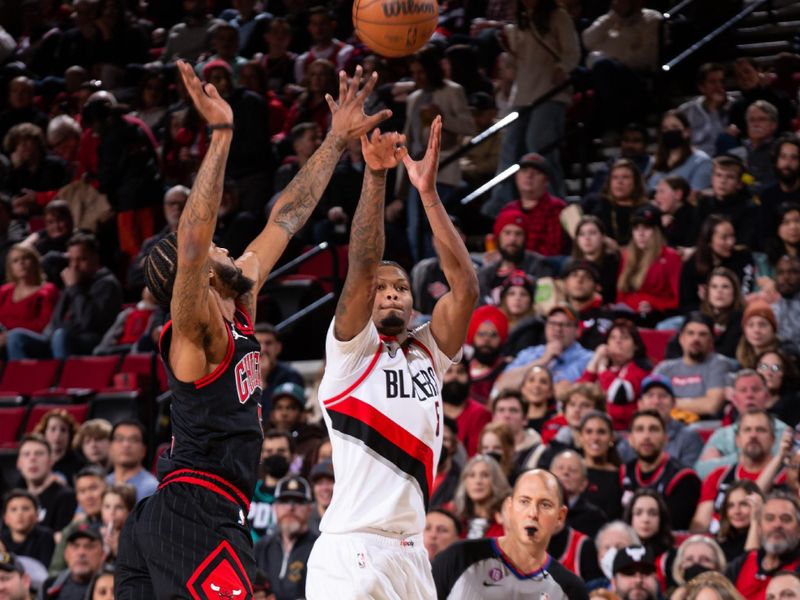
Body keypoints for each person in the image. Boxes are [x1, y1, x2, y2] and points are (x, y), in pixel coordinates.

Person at [116, 61, 390, 597]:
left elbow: (286, 217)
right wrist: (221, 135)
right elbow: (194, 239)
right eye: (218, 248)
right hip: (198, 512)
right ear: (197, 276)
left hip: (182, 514)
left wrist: (336, 141)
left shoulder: (238, 297)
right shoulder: (196, 333)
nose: (226, 247)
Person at [306, 110, 477, 597]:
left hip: (410, 550)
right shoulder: (351, 352)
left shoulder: (428, 351)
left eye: (400, 287)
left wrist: (427, 193)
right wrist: (376, 176)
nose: (391, 295)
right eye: (381, 289)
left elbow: (464, 287)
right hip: (351, 550)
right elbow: (361, 265)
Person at [432, 469, 588, 599]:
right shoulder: (459, 557)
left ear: (560, 516)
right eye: (524, 501)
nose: (533, 513)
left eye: (545, 504)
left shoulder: (571, 590)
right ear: (509, 507)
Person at [6, 233, 122, 359]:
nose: (75, 266)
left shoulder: (107, 284)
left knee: (60, 336)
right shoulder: (75, 281)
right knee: (16, 337)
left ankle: (62, 378)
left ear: (96, 258)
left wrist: (74, 288)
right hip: (59, 337)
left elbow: (88, 322)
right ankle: (28, 378)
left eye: (82, 259)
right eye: (71, 260)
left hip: (91, 341)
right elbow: (56, 321)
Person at [691, 409, 782, 533]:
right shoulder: (718, 476)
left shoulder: (786, 476)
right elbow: (700, 525)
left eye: (761, 430)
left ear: (773, 439)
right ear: (737, 439)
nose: (753, 435)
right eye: (747, 430)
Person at [696, 369, 789, 477]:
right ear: (734, 399)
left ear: (767, 397)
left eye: (756, 389)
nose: (749, 395)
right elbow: (701, 471)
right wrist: (743, 457)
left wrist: (725, 460)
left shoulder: (784, 432)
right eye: (743, 390)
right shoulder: (722, 435)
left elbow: (787, 467)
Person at [621, 410, 700, 530]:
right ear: (630, 439)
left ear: (665, 439)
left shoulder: (684, 478)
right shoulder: (623, 472)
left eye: (654, 429)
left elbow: (676, 527)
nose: (646, 436)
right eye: (639, 429)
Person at [497, 305, 593, 395]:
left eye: (565, 325)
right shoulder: (529, 353)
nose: (558, 329)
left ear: (577, 330)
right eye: (553, 323)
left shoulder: (589, 359)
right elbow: (501, 386)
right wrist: (543, 360)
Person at [653, 312, 733, 418]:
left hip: (704, 425)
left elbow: (711, 406)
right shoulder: (664, 368)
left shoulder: (719, 364)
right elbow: (651, 404)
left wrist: (667, 403)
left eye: (702, 334)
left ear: (711, 341)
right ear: (681, 339)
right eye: (690, 333)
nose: (696, 339)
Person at [578, 319, 651, 431]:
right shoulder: (606, 369)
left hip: (623, 430)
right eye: (613, 338)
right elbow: (578, 392)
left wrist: (602, 369)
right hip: (592, 427)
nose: (618, 342)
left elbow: (619, 394)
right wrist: (595, 360)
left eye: (624, 338)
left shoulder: (640, 369)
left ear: (636, 346)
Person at [617, 374, 704, 468]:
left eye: (663, 396)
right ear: (640, 404)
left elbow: (689, 477)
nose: (656, 402)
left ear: (673, 403)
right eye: (650, 396)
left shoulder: (689, 437)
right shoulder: (629, 439)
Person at [724, 492, 800, 599]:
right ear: (759, 527)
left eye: (786, 519)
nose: (777, 525)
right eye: (769, 518)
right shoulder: (740, 564)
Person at [615, 204, 682, 324]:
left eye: (646, 228)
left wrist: (654, 305)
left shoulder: (671, 257)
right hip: (628, 314)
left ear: (657, 231)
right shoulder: (627, 255)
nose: (640, 234)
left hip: (658, 316)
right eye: (636, 229)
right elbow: (621, 295)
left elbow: (677, 299)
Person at [254, 475, 318, 600]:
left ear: (310, 508)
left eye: (299, 501)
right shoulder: (260, 548)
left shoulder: (320, 548)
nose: (290, 507)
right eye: (284, 501)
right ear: (275, 507)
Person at [679, 214, 756, 312]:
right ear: (709, 240)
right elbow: (685, 305)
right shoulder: (692, 264)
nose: (731, 242)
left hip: (737, 315)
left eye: (732, 236)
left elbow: (746, 293)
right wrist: (708, 307)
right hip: (703, 318)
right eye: (724, 238)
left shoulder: (743, 257)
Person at [496, 153, 568, 256]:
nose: (529, 176)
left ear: (546, 181)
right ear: (517, 177)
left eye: (536, 172)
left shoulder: (557, 208)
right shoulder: (508, 209)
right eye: (524, 171)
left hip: (542, 266)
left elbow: (553, 250)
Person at [15, 434, 76, 534]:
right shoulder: (13, 498)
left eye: (39, 454)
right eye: (26, 454)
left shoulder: (66, 497)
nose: (32, 459)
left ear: (51, 461)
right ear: (19, 463)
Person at [581, 158, 648, 246]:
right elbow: (568, 215)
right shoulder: (594, 201)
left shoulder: (645, 209)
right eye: (615, 177)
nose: (619, 182)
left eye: (625, 177)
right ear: (609, 182)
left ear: (635, 182)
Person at [0, 244, 59, 343]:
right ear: (11, 268)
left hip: (34, 341)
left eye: (26, 258)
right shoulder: (4, 291)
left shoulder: (48, 290)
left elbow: (43, 325)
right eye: (15, 261)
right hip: (3, 341)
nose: (21, 263)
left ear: (35, 262)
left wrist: (8, 336)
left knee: (15, 337)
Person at [646, 110, 712, 193]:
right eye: (665, 128)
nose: (669, 131)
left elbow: (696, 196)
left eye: (675, 127)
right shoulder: (655, 160)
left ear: (687, 132)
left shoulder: (701, 161)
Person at [447, 455, 510, 540]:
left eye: (485, 475)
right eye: (472, 475)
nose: (478, 481)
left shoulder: (506, 520)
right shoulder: (455, 518)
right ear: (465, 482)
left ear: (496, 481)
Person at [677, 63, 733, 157]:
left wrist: (715, 109)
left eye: (722, 81)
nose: (719, 86)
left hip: (724, 162)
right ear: (701, 87)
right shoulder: (686, 111)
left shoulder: (733, 107)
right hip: (694, 160)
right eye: (712, 82)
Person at [577, 411, 623, 521]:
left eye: (601, 432)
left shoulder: (622, 476)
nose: (595, 438)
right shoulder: (570, 473)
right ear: (580, 437)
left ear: (612, 437)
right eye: (589, 432)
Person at [550, 449, 607, 537]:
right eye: (560, 468)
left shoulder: (595, 517)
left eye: (573, 470)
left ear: (584, 484)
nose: (565, 472)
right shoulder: (538, 510)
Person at [441, 359, 491, 457]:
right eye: (449, 371)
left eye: (460, 371)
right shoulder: (430, 411)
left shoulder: (481, 414)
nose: (455, 376)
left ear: (468, 377)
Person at [41, 524, 105, 600]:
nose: (81, 552)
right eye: (75, 546)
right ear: (66, 554)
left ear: (102, 555)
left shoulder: (113, 588)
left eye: (89, 546)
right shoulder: (49, 586)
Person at [570, 216, 621, 305]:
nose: (587, 238)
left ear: (602, 237)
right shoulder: (572, 266)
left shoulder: (614, 263)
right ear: (577, 240)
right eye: (582, 234)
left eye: (592, 233)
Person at [105, 421, 157, 503]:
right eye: (119, 439)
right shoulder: (101, 484)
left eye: (134, 440)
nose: (126, 444)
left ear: (144, 450)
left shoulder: (152, 489)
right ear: (110, 447)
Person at [1, 489, 55, 567]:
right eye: (13, 509)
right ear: (5, 518)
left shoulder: (46, 537)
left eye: (25, 508)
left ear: (37, 515)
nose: (20, 513)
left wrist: (5, 557)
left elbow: (44, 570)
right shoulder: (1, 540)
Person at [715, 480, 762, 561]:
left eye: (744, 504)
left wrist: (755, 521)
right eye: (730, 505)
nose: (737, 511)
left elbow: (750, 564)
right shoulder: (719, 543)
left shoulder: (770, 539)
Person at [308, 460, 333, 536]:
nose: (325, 488)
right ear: (313, 488)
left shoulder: (349, 516)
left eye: (330, 482)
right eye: (320, 483)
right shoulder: (305, 516)